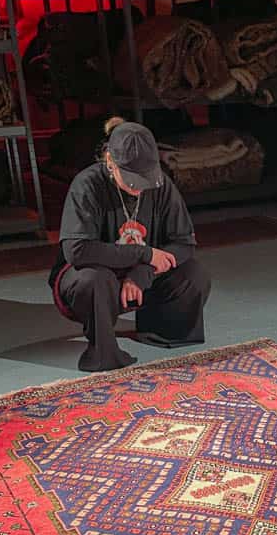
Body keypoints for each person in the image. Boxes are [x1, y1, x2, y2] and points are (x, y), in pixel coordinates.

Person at [49, 116, 211, 372]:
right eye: (132, 178)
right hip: (95, 276)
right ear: (110, 162)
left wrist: (142, 272)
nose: (140, 187)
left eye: (146, 177)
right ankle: (103, 351)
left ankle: (160, 330)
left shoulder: (161, 184)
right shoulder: (86, 185)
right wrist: (144, 254)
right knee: (94, 280)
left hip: (141, 277)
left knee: (194, 273)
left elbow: (184, 242)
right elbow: (77, 251)